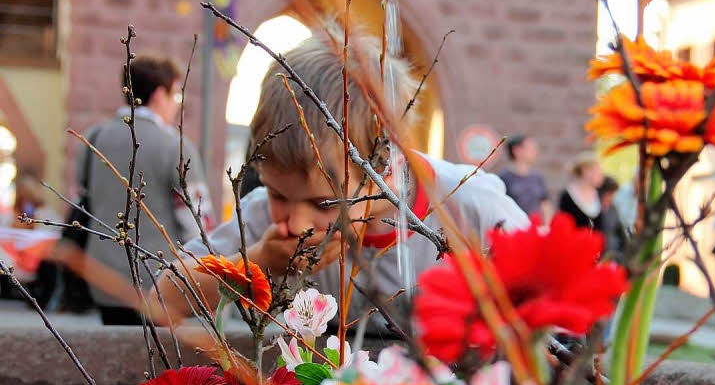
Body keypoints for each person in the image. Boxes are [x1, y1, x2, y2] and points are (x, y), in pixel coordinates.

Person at [155, 28, 528, 334]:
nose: (296, 224)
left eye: (323, 204)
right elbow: (160, 300)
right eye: (278, 194)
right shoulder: (267, 225)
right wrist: (257, 263)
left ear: (385, 166)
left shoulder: (472, 209)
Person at [79, 55, 211, 325]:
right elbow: (196, 219)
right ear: (160, 94)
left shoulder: (93, 138)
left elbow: (86, 197)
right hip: (156, 280)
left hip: (102, 276)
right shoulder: (175, 146)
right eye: (175, 95)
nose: (176, 105)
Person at [497, 135, 551, 221]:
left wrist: (546, 225)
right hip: (513, 228)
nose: (535, 152)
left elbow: (545, 204)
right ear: (517, 150)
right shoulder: (504, 178)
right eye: (530, 149)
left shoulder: (537, 177)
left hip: (535, 227)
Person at [558, 151, 604, 230]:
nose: (601, 175)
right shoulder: (567, 196)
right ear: (586, 171)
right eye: (596, 171)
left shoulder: (600, 195)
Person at [598, 176, 626, 262]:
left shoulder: (613, 209)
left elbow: (620, 232)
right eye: (609, 194)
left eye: (613, 195)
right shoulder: (593, 210)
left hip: (613, 256)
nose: (611, 198)